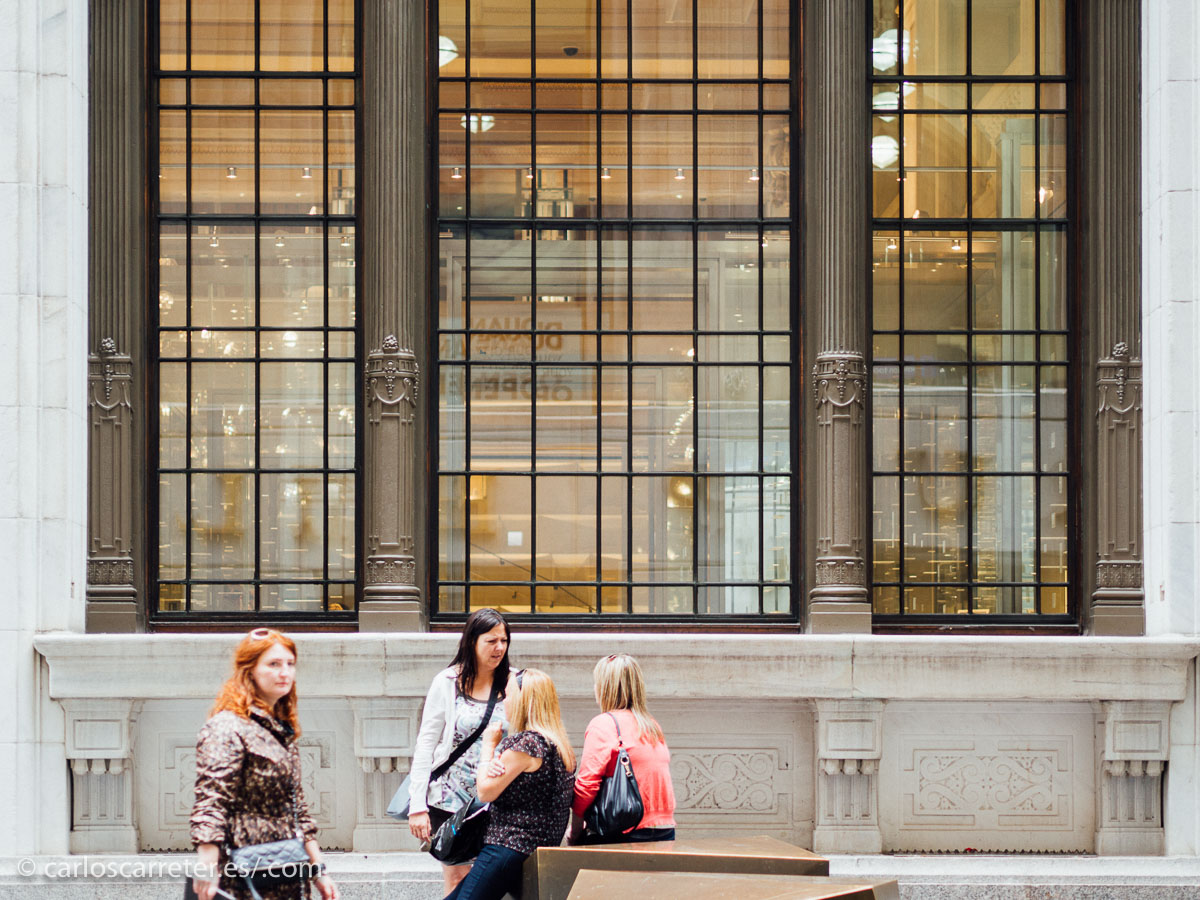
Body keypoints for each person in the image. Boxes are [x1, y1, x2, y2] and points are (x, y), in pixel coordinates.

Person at [190, 628, 338, 900]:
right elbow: (211, 800)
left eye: (290, 664)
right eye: (273, 664)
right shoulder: (227, 727)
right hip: (242, 870)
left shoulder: (280, 729)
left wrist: (318, 868)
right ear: (250, 671)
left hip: (287, 866)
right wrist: (207, 862)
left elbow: (298, 809)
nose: (285, 673)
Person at [408, 608, 521, 894]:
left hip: (498, 798)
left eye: (504, 641)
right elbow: (426, 745)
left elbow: (525, 736)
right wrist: (417, 805)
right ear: (472, 641)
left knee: (493, 881)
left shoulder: (515, 682)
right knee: (457, 878)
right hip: (450, 798)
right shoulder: (447, 683)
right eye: (491, 641)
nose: (499, 648)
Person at [446, 668, 576, 900]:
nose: (504, 701)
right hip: (533, 851)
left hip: (507, 848)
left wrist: (488, 747)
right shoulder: (559, 746)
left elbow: (485, 792)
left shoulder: (525, 744)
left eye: (507, 695)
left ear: (524, 700)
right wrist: (497, 762)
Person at [571, 653, 676, 844]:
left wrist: (575, 831)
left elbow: (586, 786)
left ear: (604, 688)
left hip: (627, 829)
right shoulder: (651, 725)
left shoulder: (603, 724)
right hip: (664, 829)